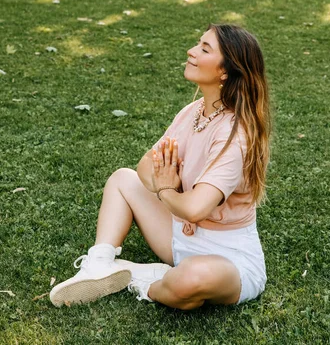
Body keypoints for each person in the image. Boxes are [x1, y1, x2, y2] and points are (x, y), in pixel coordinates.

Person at [50, 24, 271, 310]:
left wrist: (167, 188)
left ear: (225, 72)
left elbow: (195, 209)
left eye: (204, 49)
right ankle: (100, 264)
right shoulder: (193, 112)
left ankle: (144, 280)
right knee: (123, 179)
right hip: (180, 236)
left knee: (190, 279)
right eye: (197, 44)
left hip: (227, 259)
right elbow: (145, 166)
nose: (191, 51)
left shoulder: (235, 134)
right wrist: (171, 190)